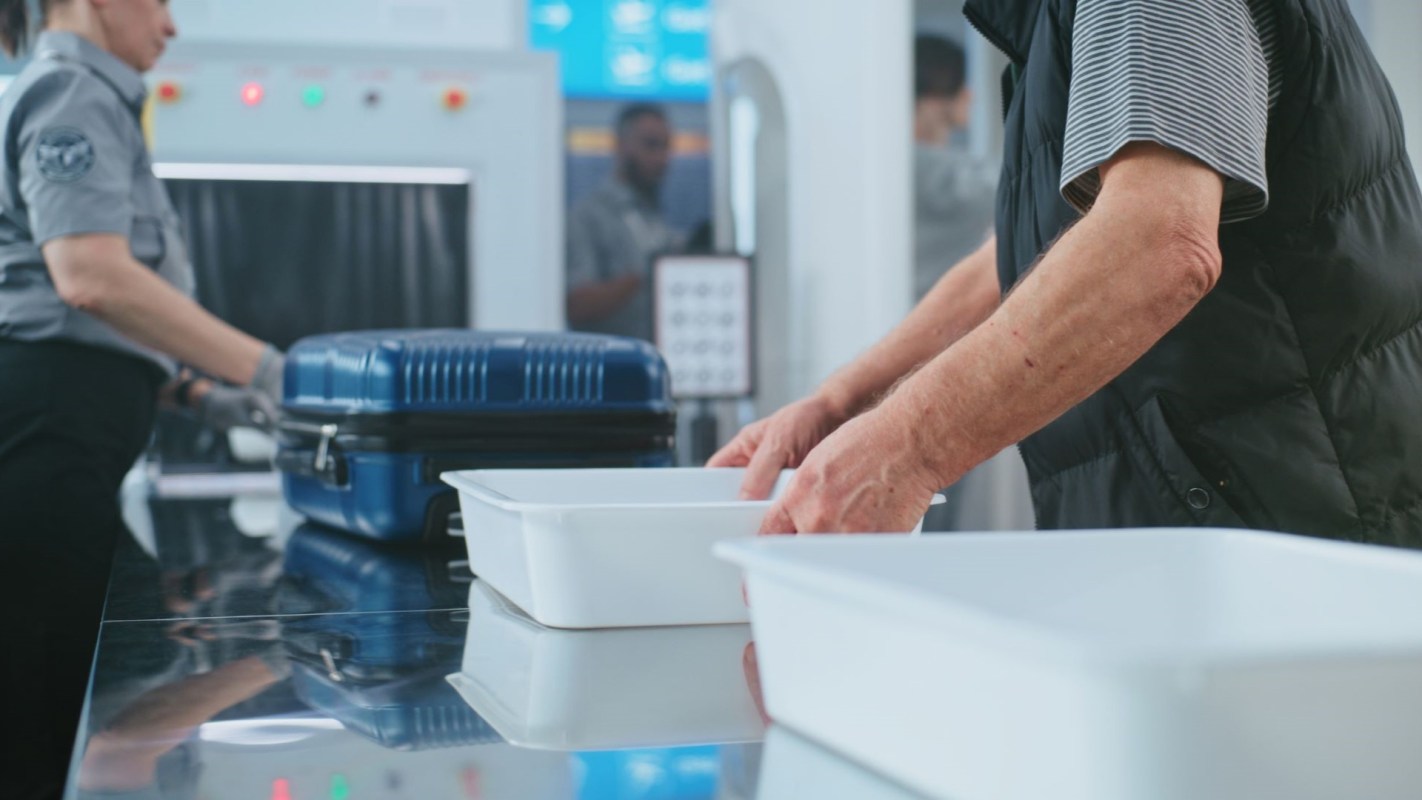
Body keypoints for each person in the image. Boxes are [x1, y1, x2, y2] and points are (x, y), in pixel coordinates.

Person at [711, 0, 1422, 547]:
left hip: (1295, 531)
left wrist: (907, 447)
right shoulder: (1053, 25)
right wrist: (841, 405)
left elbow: (1158, 240)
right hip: (1224, 528)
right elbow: (1032, 255)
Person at [0, 2, 285, 797]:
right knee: (43, 720)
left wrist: (197, 395)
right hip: (48, 442)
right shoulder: (72, 93)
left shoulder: (92, 99)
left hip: (67, 434)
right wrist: (267, 372)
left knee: (87, 702)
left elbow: (80, 321)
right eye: (158, 1)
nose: (170, 25)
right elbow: (88, 278)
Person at [565, 102, 682, 341]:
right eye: (651, 145)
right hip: (613, 367)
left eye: (666, 147)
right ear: (621, 146)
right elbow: (577, 305)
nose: (661, 159)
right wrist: (646, 274)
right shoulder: (588, 216)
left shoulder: (655, 217)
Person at [911, 34, 996, 301]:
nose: (971, 96)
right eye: (961, 85)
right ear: (935, 95)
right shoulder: (925, 170)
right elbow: (1013, 187)